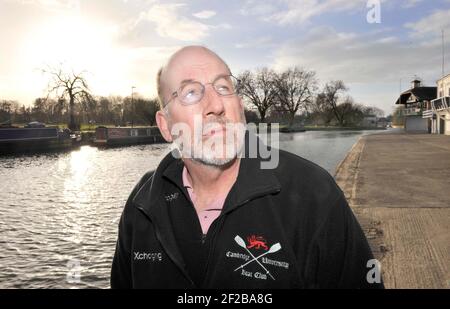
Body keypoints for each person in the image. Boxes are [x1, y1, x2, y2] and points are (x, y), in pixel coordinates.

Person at [110, 46, 383, 289]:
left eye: (223, 87)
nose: (216, 105)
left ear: (239, 107)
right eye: (190, 92)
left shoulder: (315, 195)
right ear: (166, 125)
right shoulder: (141, 203)